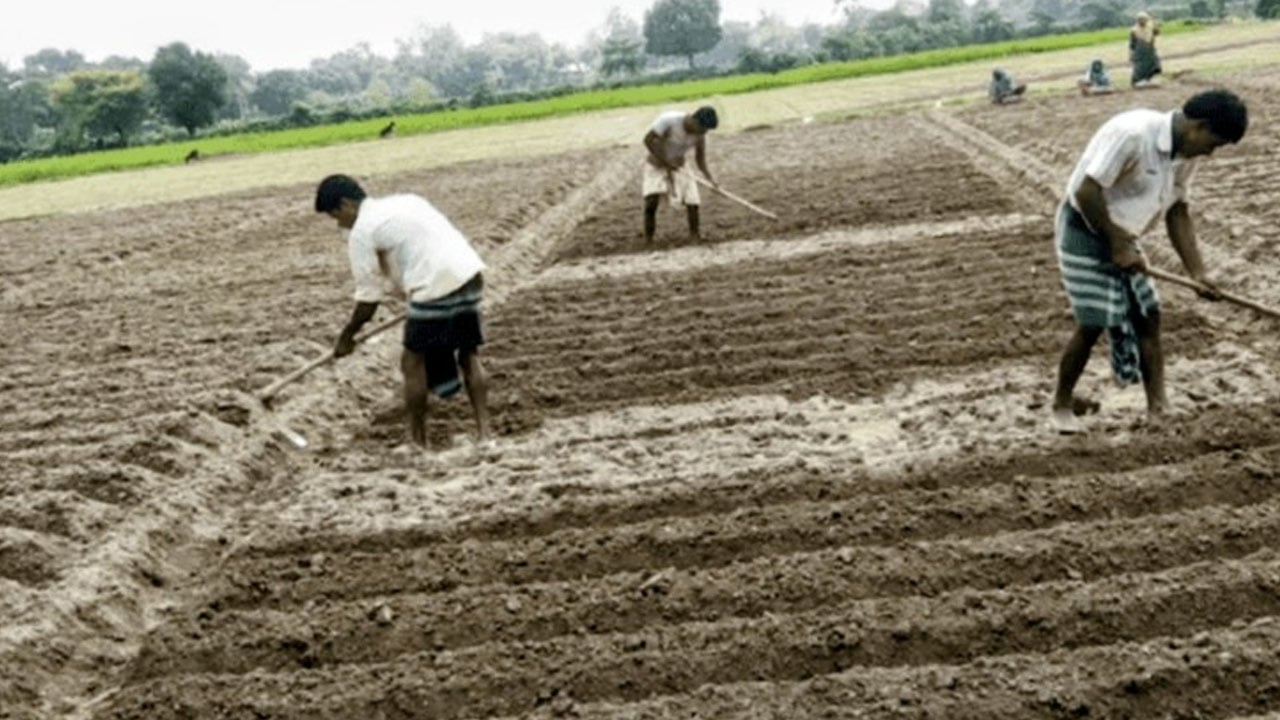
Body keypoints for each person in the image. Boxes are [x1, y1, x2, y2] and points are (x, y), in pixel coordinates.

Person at [1050, 89, 1248, 434]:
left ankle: (1158, 406)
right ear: (1198, 126)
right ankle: (1061, 405)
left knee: (1148, 313)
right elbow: (1085, 192)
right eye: (1214, 143)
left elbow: (1178, 210)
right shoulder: (1133, 134)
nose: (1211, 153)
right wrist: (1116, 242)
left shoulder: (1185, 154)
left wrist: (1198, 272)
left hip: (1123, 232)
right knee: (1095, 319)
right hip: (1083, 227)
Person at [314, 174, 492, 448]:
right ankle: (485, 435)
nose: (339, 223)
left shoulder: (362, 230)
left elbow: (368, 299)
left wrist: (347, 336)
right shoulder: (407, 201)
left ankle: (418, 443)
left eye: (336, 215)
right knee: (468, 352)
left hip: (433, 285)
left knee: (412, 362)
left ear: (346, 203)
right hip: (468, 272)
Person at [643, 105, 719, 244]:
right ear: (694, 120)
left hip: (680, 167)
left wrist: (711, 180)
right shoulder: (669, 120)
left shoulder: (700, 135)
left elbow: (700, 160)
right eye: (703, 129)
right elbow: (648, 140)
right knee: (651, 202)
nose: (704, 133)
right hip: (656, 165)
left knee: (693, 201)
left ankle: (695, 235)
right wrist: (665, 161)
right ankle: (649, 239)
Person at [1130, 11, 1163, 88]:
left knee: (1153, 64)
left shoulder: (1150, 26)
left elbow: (1157, 33)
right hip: (1140, 51)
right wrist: (1132, 53)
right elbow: (1132, 44)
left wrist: (1156, 26)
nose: (1142, 21)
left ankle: (1149, 79)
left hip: (1150, 49)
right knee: (1140, 67)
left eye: (1144, 19)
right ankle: (1138, 81)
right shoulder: (1134, 30)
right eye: (1140, 20)